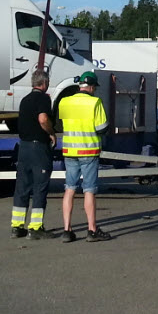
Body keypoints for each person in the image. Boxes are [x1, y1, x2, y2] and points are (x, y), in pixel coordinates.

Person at [58, 71, 111, 242]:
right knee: (89, 190)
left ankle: (67, 230)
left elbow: (60, 124)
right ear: (91, 86)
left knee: (69, 189)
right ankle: (92, 230)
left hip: (69, 151)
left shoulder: (65, 101)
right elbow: (102, 128)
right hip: (88, 151)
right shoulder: (95, 102)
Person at [11, 70, 56, 238]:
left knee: (22, 187)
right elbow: (43, 119)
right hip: (39, 147)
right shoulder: (43, 98)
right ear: (44, 83)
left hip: (24, 147)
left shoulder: (25, 100)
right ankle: (36, 227)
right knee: (39, 187)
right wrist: (51, 133)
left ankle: (17, 226)